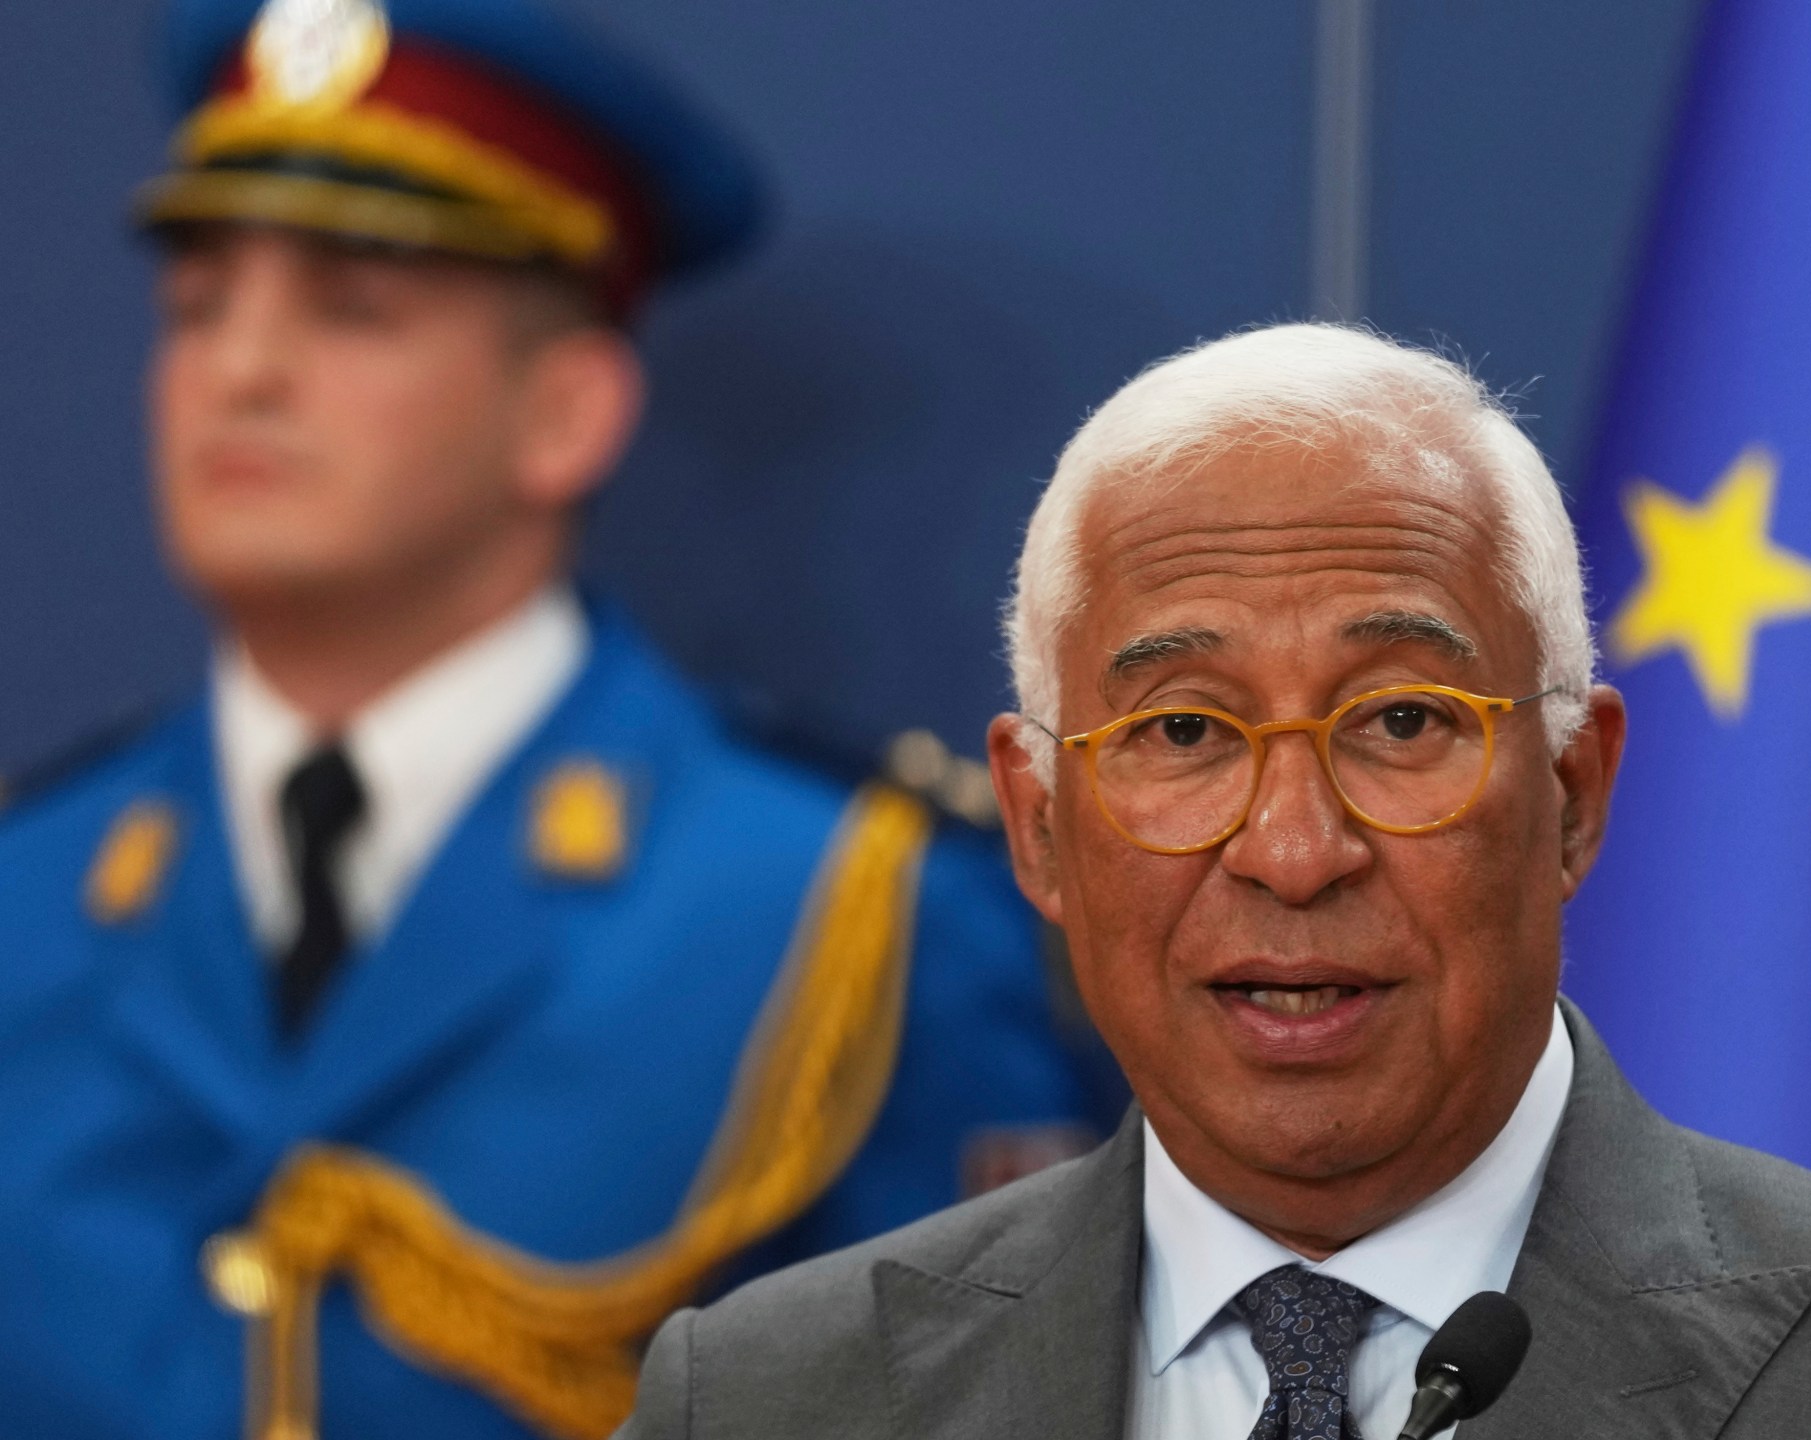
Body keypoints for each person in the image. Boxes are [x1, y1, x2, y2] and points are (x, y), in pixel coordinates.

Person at [614, 324, 1811, 1439]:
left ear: (1574, 792)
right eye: (1182, 731)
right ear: (1036, 828)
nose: (1294, 850)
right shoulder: (757, 1401)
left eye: (1404, 721)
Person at [0, 1, 1103, 1437]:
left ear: (566, 408)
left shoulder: (845, 911)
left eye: (352, 306)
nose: (242, 370)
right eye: (198, 305)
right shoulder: (30, 887)